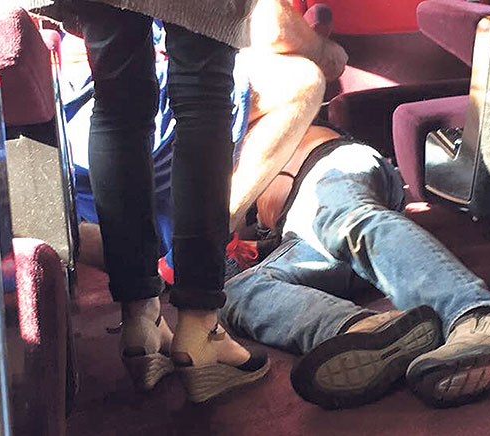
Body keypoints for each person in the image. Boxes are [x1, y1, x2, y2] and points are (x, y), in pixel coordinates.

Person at [49, 0, 346, 401]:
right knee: (204, 95)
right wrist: (326, 51)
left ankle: (141, 323)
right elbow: (275, 26)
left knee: (117, 99)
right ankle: (200, 328)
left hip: (69, 124)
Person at [219, 121, 490, 409]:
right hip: (297, 234)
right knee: (236, 291)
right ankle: (363, 331)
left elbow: (305, 70)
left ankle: (480, 316)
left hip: (328, 167)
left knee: (343, 219)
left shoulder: (241, 97)